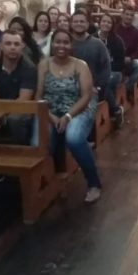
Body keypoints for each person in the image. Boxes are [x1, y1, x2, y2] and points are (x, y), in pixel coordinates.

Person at [34, 29, 102, 203]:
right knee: (40, 144)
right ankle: (52, 184)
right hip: (50, 110)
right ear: (52, 44)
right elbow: (38, 96)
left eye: (66, 42)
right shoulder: (44, 64)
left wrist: (67, 116)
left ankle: (93, 183)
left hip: (77, 109)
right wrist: (50, 116)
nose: (61, 45)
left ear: (71, 45)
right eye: (57, 41)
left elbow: (86, 96)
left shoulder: (80, 65)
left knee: (74, 138)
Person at [0, 31, 38, 144]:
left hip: (21, 108)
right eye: (8, 43)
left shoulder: (29, 68)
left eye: (16, 44)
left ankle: (21, 152)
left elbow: (23, 99)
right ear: (1, 46)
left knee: (14, 119)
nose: (13, 47)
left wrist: (0, 114)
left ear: (22, 46)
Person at [70, 11, 120, 123]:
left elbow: (106, 69)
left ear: (87, 24)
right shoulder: (67, 43)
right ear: (71, 24)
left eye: (82, 21)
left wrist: (97, 86)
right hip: (69, 88)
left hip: (91, 90)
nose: (79, 24)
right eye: (76, 21)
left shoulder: (98, 44)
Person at [95, 13, 126, 128]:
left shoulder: (117, 41)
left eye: (109, 22)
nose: (106, 24)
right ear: (99, 23)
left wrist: (106, 69)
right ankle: (113, 109)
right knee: (101, 83)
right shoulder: (93, 38)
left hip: (115, 71)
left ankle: (115, 110)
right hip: (96, 73)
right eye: (104, 21)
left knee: (105, 82)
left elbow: (120, 63)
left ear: (112, 25)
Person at [115, 8, 138, 88]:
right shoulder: (114, 29)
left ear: (133, 18)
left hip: (128, 61)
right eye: (127, 14)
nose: (129, 17)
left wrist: (130, 58)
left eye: (131, 15)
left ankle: (126, 87)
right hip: (114, 60)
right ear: (122, 15)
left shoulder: (136, 33)